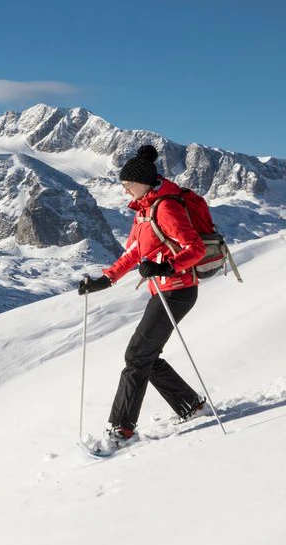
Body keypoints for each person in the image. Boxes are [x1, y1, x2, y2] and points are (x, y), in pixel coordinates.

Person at [77, 144, 213, 456]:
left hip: (178, 290)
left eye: (128, 184)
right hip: (163, 290)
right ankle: (189, 405)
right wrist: (106, 279)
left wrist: (166, 266)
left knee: (137, 356)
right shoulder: (144, 211)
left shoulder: (165, 207)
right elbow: (135, 252)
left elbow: (195, 248)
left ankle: (122, 429)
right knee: (143, 355)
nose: (124, 189)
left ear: (142, 182)